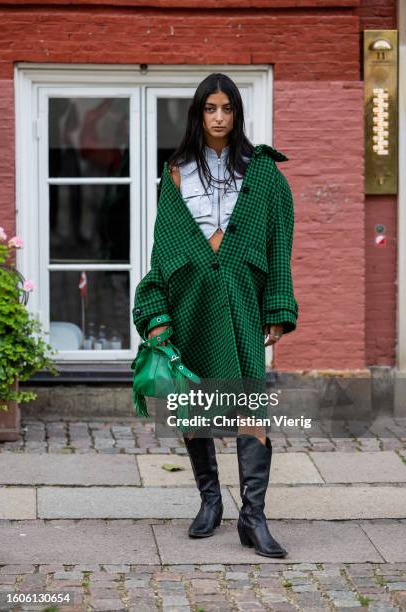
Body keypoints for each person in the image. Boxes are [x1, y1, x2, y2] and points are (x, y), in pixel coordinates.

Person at [133, 73, 298, 558]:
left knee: (251, 407)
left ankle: (254, 516)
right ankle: (210, 502)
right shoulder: (178, 171)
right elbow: (163, 250)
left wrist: (278, 308)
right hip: (190, 302)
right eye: (211, 109)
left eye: (227, 108)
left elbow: (278, 246)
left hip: (244, 301)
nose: (220, 117)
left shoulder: (264, 172)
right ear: (198, 114)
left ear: (237, 112)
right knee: (193, 403)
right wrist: (158, 313)